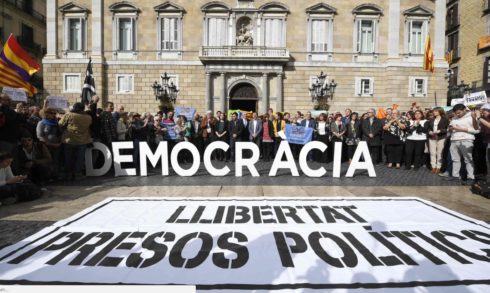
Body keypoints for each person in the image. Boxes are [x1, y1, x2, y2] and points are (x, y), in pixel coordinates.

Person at [59, 102, 92, 180]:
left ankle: (68, 174)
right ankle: (78, 174)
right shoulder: (88, 117)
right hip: (82, 141)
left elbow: (60, 124)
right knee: (79, 159)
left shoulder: (69, 114)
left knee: (68, 158)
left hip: (69, 140)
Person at [448, 104, 480, 185]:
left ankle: (471, 177)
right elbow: (450, 129)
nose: (458, 114)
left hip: (466, 140)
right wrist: (450, 129)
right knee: (455, 159)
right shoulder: (454, 118)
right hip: (454, 140)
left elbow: (477, 130)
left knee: (468, 160)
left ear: (464, 110)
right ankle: (455, 176)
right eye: (456, 113)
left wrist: (460, 129)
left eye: (459, 112)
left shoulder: (471, 117)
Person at [37, 107, 62, 178]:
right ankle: (47, 176)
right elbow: (40, 136)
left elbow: (59, 133)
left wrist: (59, 142)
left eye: (55, 113)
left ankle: (55, 175)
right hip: (47, 146)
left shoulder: (55, 123)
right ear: (46, 114)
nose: (54, 115)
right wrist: (50, 144)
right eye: (52, 113)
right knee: (48, 161)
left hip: (57, 145)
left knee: (56, 161)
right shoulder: (41, 123)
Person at [427, 107, 449, 174]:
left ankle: (439, 167)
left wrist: (440, 131)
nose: (434, 112)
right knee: (432, 152)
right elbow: (428, 128)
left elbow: (447, 129)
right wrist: (430, 132)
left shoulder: (445, 119)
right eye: (434, 111)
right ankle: (433, 166)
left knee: (440, 153)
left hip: (441, 138)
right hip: (432, 138)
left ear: (440, 111)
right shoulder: (431, 119)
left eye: (436, 111)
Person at [478, 104, 490, 182]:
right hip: (488, 143)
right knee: (488, 162)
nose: (483, 112)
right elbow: (476, 128)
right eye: (482, 110)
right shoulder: (483, 119)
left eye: (485, 110)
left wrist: (479, 117)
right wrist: (474, 118)